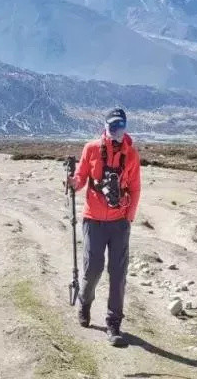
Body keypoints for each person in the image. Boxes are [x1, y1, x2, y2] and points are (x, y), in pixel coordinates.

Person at [67, 107, 141, 347]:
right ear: (106, 128)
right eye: (113, 128)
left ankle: (113, 323)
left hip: (119, 222)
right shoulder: (91, 149)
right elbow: (81, 178)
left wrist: (128, 217)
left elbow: (136, 188)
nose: (117, 132)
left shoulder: (132, 155)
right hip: (94, 220)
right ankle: (85, 302)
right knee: (93, 268)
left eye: (121, 127)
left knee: (118, 274)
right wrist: (73, 183)